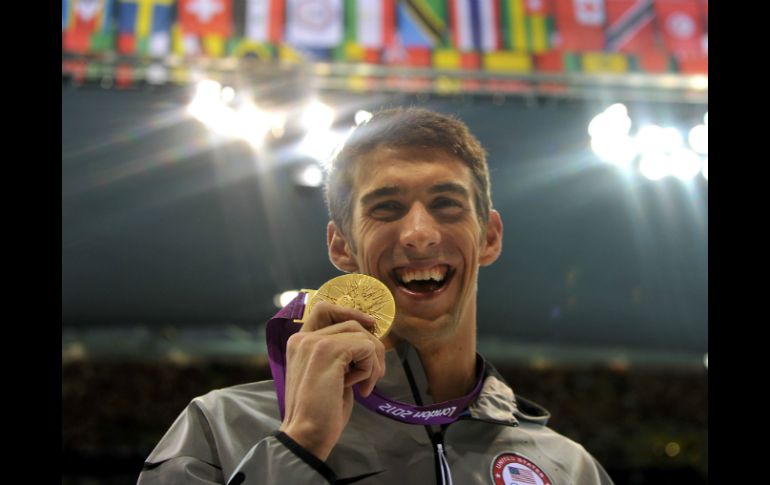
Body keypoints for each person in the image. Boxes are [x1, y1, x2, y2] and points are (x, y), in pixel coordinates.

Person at [137, 107, 614, 485]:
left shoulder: (569, 470)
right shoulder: (219, 429)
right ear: (341, 245)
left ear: (489, 236)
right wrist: (298, 446)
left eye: (446, 204)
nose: (420, 234)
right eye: (386, 208)